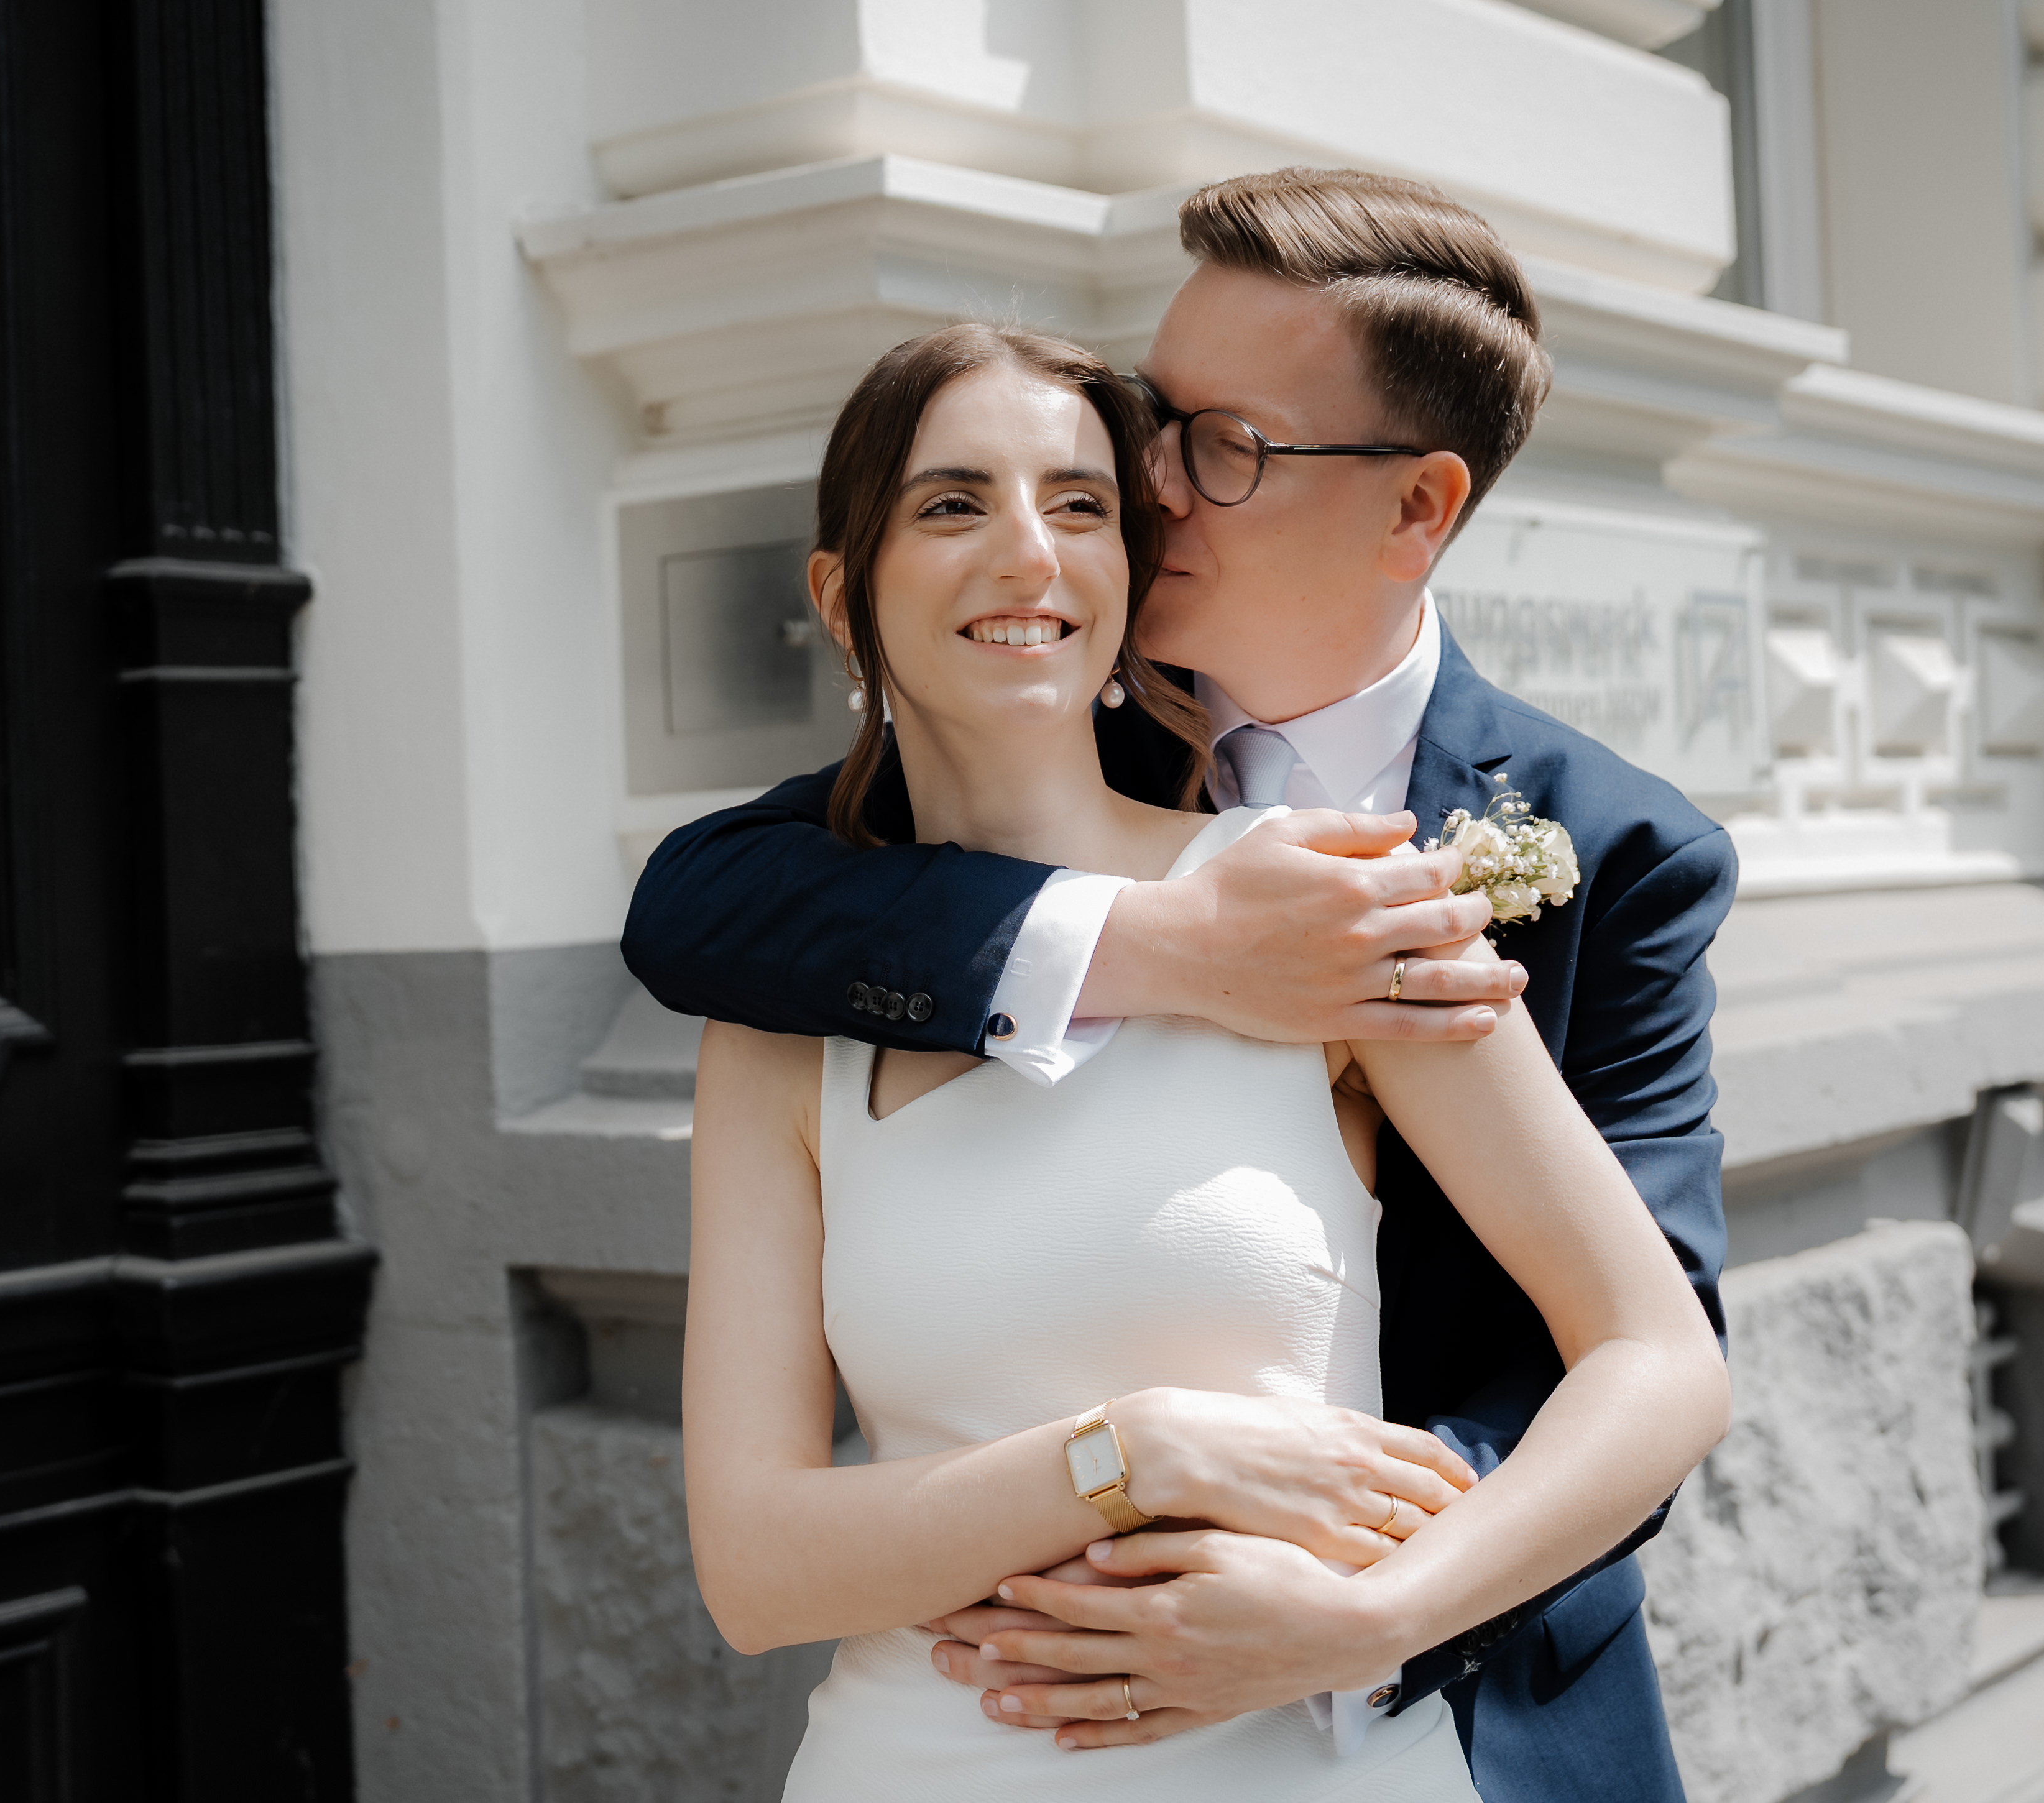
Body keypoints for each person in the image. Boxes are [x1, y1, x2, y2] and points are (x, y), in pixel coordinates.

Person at [635, 168, 1738, 1801]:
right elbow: (696, 906)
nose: (1140, 498)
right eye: (1151, 432)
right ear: (844, 589)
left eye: (1211, 449)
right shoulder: (976, 812)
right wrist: (1176, 953)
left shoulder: (1470, 882)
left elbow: (1650, 1344)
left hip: (1391, 1713)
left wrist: (1361, 1609)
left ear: (1415, 510)